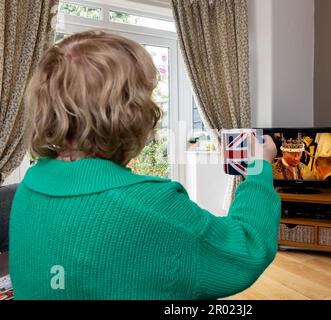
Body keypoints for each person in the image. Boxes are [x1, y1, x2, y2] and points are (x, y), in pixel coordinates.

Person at [9, 30, 281, 300]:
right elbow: (246, 250)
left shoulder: (29, 186)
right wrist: (258, 167)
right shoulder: (153, 205)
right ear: (131, 113)